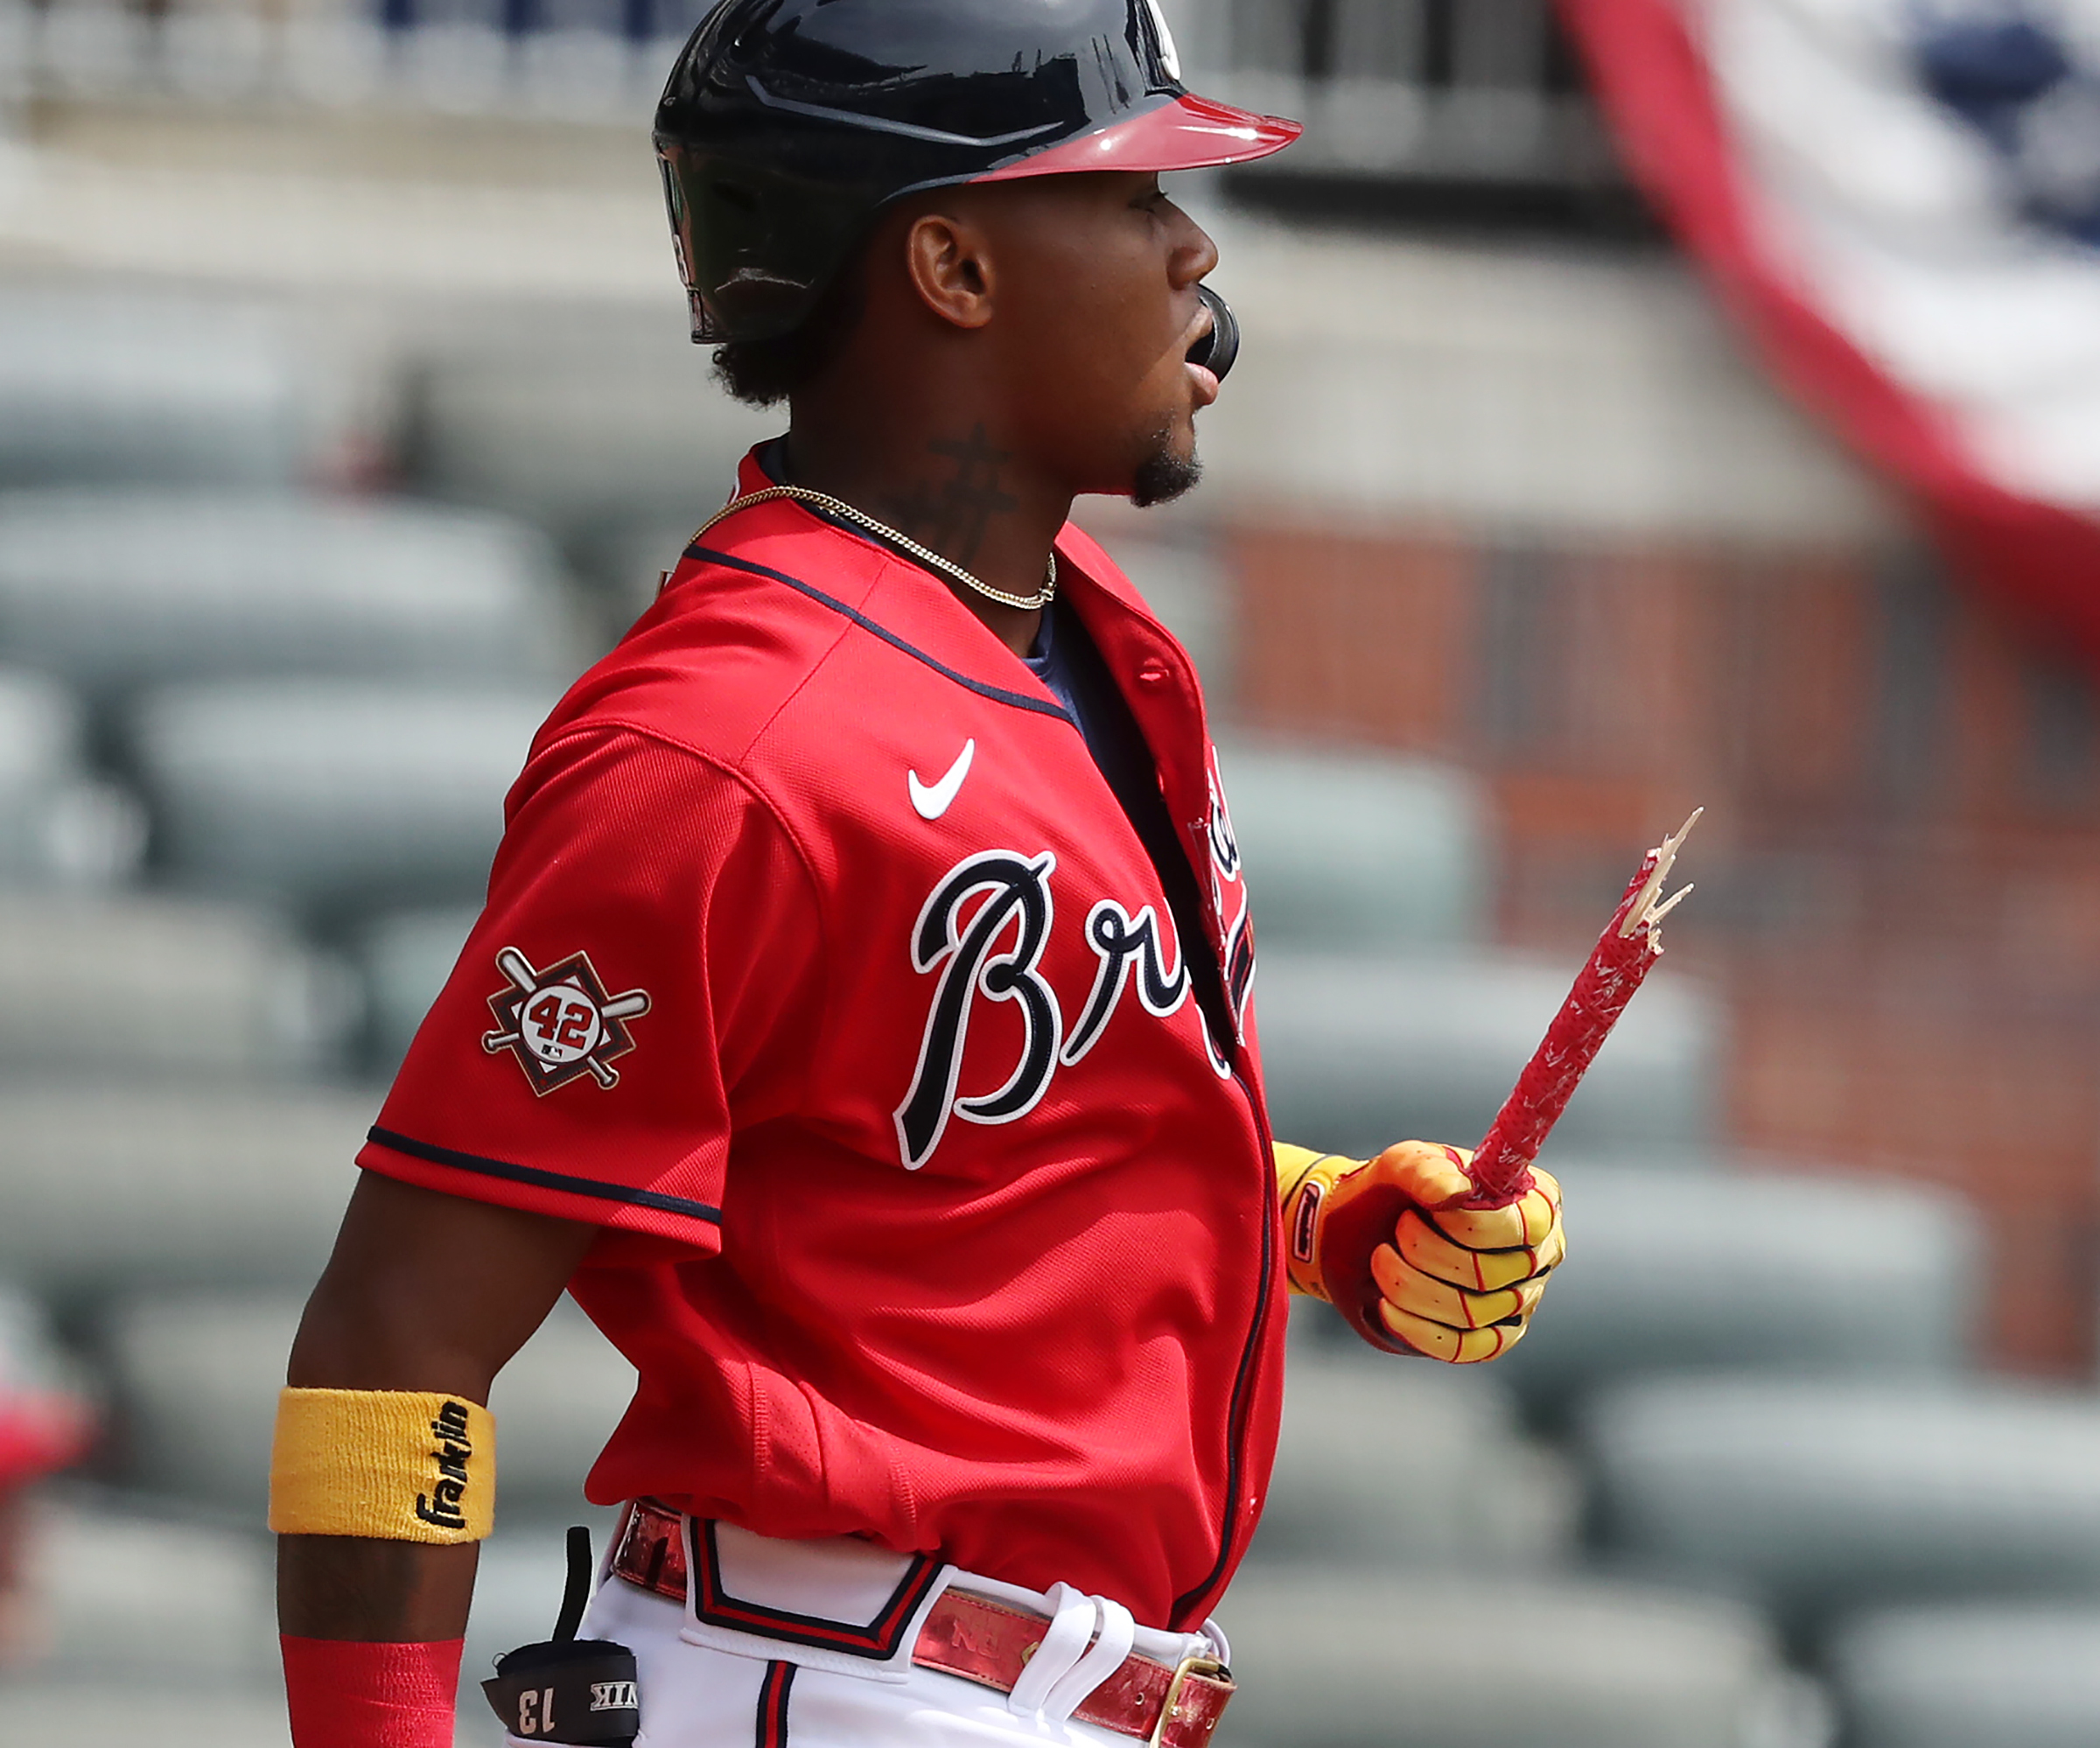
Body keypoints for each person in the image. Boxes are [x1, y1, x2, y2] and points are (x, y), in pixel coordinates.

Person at [270, 4, 1566, 1745]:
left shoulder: (1089, 645)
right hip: (822, 1678)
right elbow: (393, 1335)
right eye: (1129, 197)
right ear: (953, 264)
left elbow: (977, 1163)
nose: (1194, 248)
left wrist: (1323, 1222)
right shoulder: (721, 741)